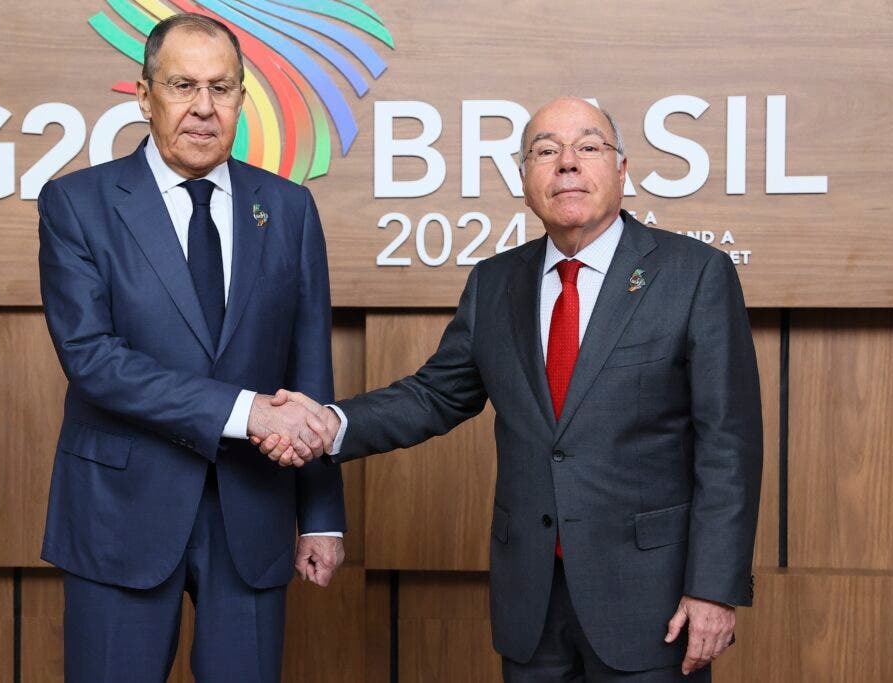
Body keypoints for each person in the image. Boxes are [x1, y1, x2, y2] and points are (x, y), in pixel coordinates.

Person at [259, 97, 762, 681]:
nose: (567, 163)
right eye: (546, 151)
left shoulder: (694, 274)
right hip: (530, 602)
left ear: (622, 169)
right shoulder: (494, 282)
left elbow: (729, 446)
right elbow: (435, 396)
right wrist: (328, 425)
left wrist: (714, 588)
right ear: (524, 182)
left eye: (588, 147)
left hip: (652, 601)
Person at [36, 13, 344, 683]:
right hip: (120, 512)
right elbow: (92, 359)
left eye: (221, 87)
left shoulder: (288, 208)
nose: (204, 107)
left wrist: (323, 515)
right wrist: (245, 411)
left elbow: (309, 369)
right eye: (183, 85)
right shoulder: (77, 203)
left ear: (241, 99)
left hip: (252, 512)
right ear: (145, 97)